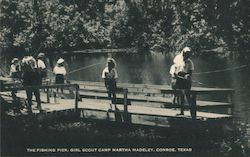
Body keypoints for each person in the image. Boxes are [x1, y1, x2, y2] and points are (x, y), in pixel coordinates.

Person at [172, 47, 195, 118]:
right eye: (185, 54)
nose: (186, 55)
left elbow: (190, 73)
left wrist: (187, 76)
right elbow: (174, 68)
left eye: (188, 54)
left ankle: (192, 113)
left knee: (188, 96)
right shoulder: (178, 60)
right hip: (179, 79)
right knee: (180, 96)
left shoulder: (190, 62)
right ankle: (181, 112)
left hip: (186, 81)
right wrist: (174, 74)